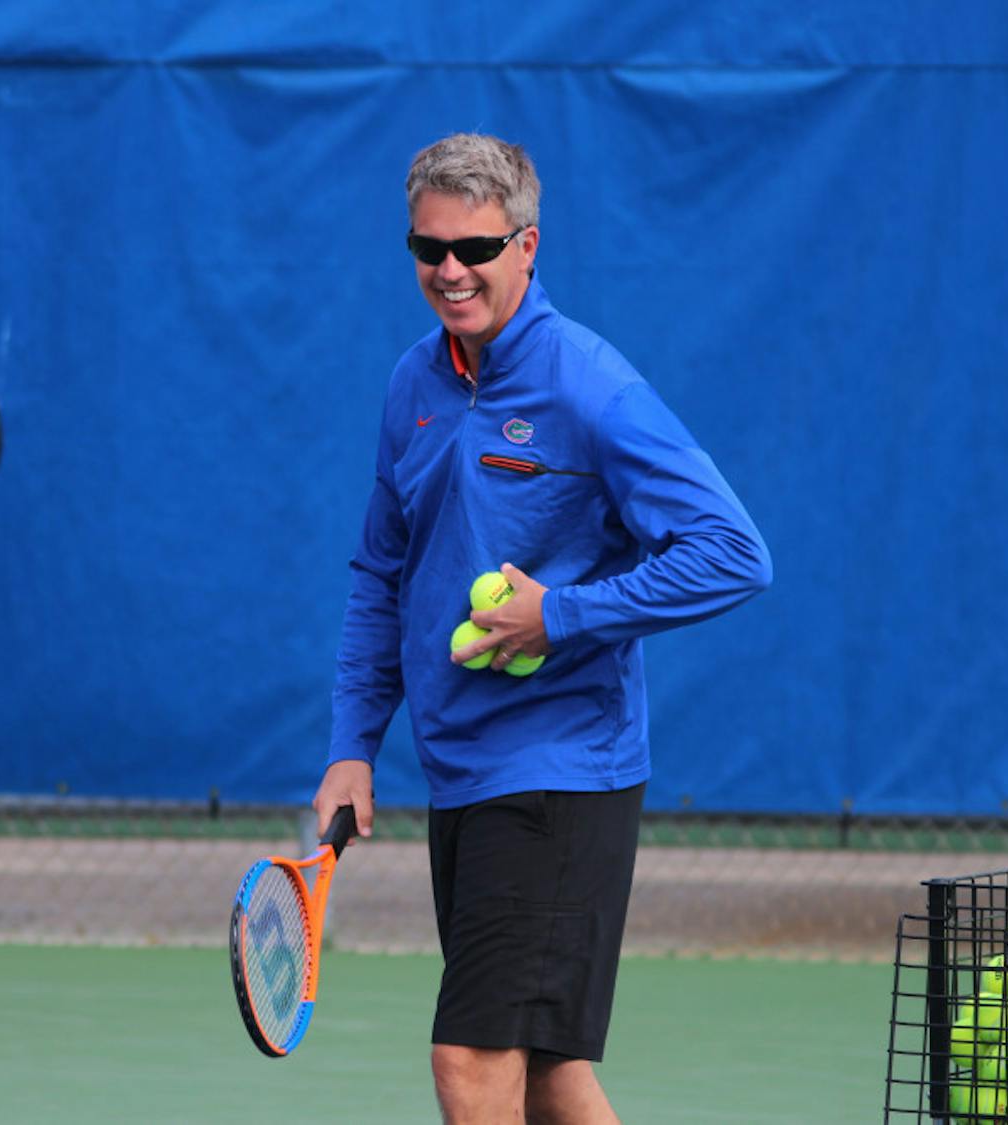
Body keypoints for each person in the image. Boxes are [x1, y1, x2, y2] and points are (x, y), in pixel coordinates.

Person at [312, 132, 771, 1123]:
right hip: (460, 771)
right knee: (551, 1073)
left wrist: (558, 616)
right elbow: (381, 573)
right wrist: (354, 747)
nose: (449, 272)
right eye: (428, 250)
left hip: (561, 771)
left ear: (527, 246)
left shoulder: (588, 385)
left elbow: (733, 553)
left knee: (471, 1062)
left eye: (474, 249)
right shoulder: (413, 385)